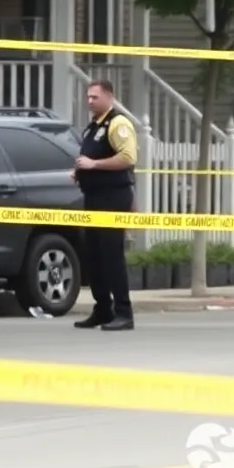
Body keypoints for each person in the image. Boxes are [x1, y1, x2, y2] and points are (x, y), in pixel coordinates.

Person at [72, 79, 137, 331]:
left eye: (95, 97)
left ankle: (124, 313)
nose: (90, 101)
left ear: (109, 96)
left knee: (112, 256)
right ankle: (103, 310)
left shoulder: (118, 124)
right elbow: (91, 156)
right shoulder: (93, 127)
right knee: (94, 255)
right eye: (88, 97)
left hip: (113, 197)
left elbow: (128, 158)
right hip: (94, 196)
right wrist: (79, 171)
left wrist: (94, 165)